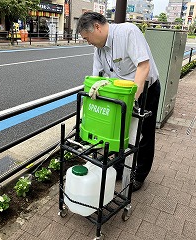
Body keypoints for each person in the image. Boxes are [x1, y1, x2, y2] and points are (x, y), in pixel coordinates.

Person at [76, 12, 160, 191]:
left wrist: (132, 101)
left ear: (97, 27)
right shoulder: (98, 50)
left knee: (143, 134)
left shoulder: (127, 32)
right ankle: (121, 167)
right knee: (120, 131)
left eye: (87, 37)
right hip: (121, 94)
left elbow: (144, 67)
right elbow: (95, 80)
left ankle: (140, 174)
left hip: (145, 88)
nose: (87, 41)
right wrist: (87, 111)